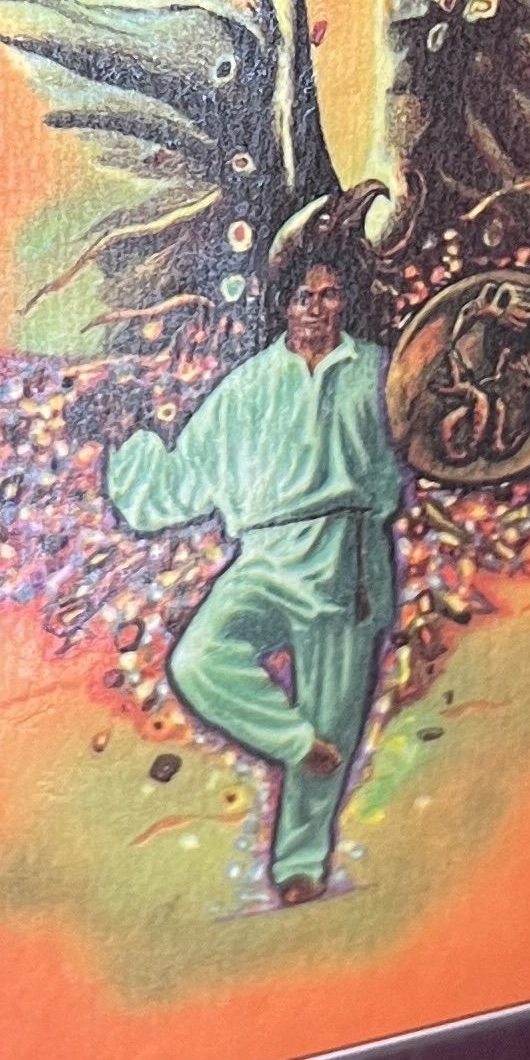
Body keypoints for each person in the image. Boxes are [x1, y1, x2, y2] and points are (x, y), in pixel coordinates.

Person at [101, 255, 405, 904]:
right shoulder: (246, 387)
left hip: (347, 554)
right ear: (284, 305)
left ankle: (300, 864)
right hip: (265, 555)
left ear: (345, 302)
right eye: (304, 296)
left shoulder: (381, 371)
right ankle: (294, 741)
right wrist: (131, 448)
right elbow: (183, 481)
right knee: (198, 659)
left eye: (330, 294)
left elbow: (441, 428)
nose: (316, 307)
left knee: (334, 711)